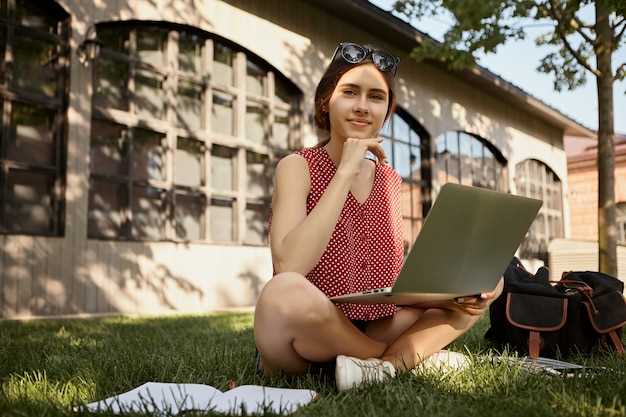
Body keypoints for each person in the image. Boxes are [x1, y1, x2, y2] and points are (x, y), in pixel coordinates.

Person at [253, 42, 503, 391]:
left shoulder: (389, 179)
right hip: (305, 333)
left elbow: (392, 283)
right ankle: (395, 359)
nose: (362, 106)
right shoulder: (297, 166)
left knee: (474, 295)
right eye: (350, 92)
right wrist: (344, 172)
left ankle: (375, 369)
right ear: (326, 101)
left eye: (375, 97)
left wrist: (458, 292)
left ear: (386, 111)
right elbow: (290, 265)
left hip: (373, 321)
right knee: (283, 292)